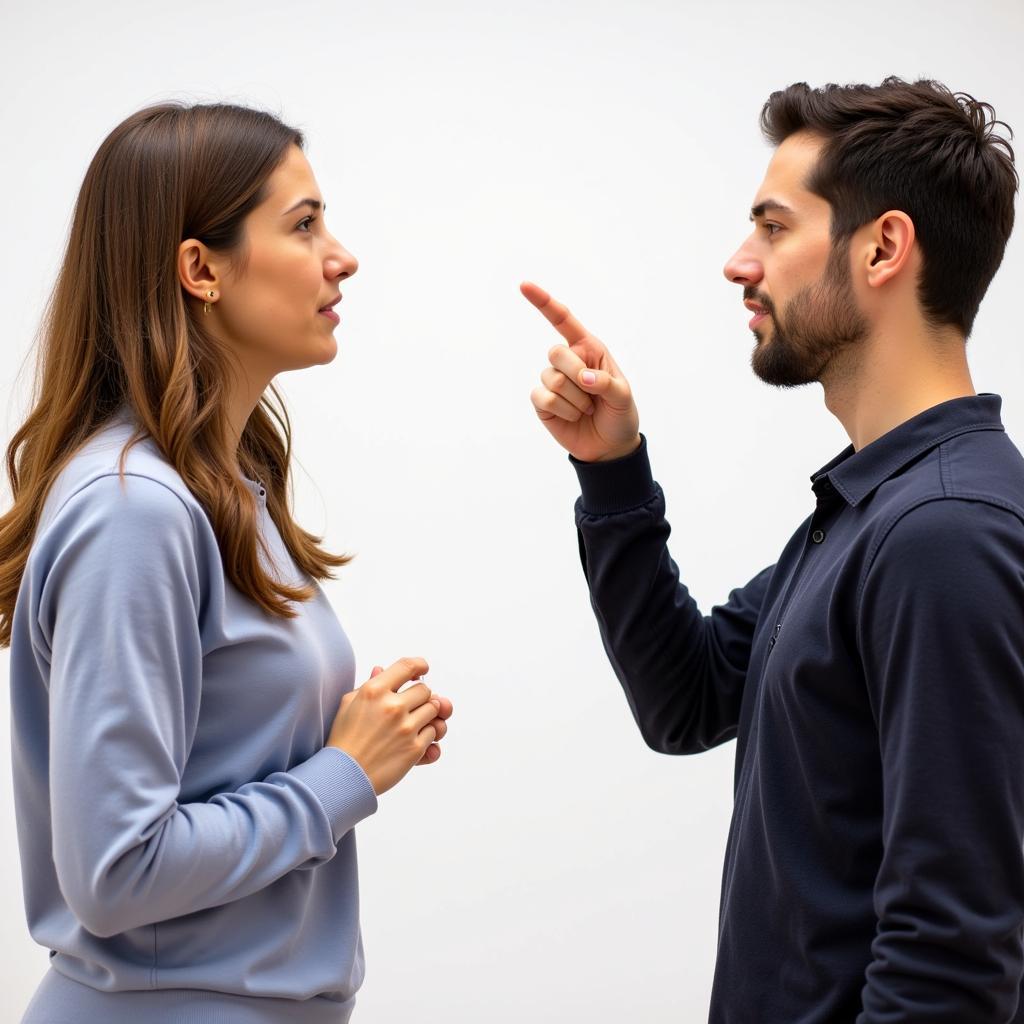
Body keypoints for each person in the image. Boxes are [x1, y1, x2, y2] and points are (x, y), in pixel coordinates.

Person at [523, 76, 1023, 1022]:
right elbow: (688, 697)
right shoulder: (873, 511)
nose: (738, 263)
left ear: (883, 248)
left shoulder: (945, 534)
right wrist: (613, 469)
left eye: (774, 227)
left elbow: (952, 956)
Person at [0, 101, 452, 1024]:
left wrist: (355, 739)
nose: (342, 255)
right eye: (304, 223)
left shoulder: (221, 486)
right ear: (200, 269)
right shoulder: (135, 512)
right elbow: (116, 872)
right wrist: (344, 774)